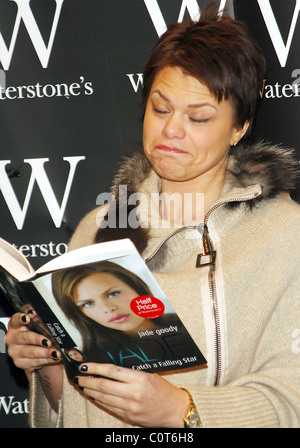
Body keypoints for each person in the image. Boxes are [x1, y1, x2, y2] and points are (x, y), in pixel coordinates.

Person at [5, 5, 300, 428]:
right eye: (160, 109)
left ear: (240, 128)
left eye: (198, 117)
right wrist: (48, 365)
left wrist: (182, 409)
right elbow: (78, 410)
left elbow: (292, 400)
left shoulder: (285, 234)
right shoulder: (98, 228)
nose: (171, 131)